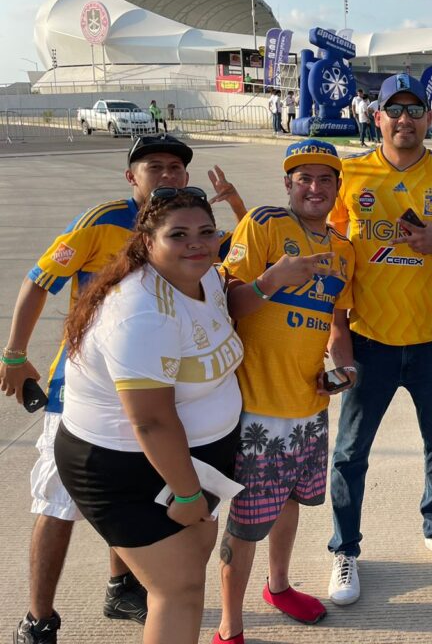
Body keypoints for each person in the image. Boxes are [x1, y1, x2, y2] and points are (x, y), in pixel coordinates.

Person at [2, 135, 246, 644]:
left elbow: (224, 286)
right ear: (132, 178)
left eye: (176, 167)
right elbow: (38, 283)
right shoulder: (126, 279)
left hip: (178, 454)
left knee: (174, 575)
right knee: (55, 504)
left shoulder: (201, 271)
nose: (167, 174)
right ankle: (38, 617)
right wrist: (14, 356)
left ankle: (122, 585)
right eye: (153, 166)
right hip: (100, 417)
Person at [53, 187, 244, 644]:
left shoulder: (206, 277)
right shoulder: (140, 312)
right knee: (175, 590)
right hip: (126, 467)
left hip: (195, 461)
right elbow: (150, 421)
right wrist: (187, 493)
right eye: (178, 234)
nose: (196, 243)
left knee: (188, 575)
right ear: (146, 241)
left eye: (205, 231)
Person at [325, 73, 432, 605]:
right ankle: (345, 549)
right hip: (369, 340)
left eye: (415, 110)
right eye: (395, 110)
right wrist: (336, 329)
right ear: (378, 117)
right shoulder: (348, 175)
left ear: (430, 118)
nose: (405, 119)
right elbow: (328, 254)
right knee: (350, 452)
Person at [213, 140, 356, 643]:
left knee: (291, 501)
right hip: (256, 409)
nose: (314, 188)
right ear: (288, 184)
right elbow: (227, 304)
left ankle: (278, 585)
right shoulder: (264, 224)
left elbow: (338, 328)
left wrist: (346, 370)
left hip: (309, 407)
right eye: (304, 179)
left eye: (324, 180)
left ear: (337, 188)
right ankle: (231, 625)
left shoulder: (344, 250)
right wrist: (273, 280)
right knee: (247, 520)